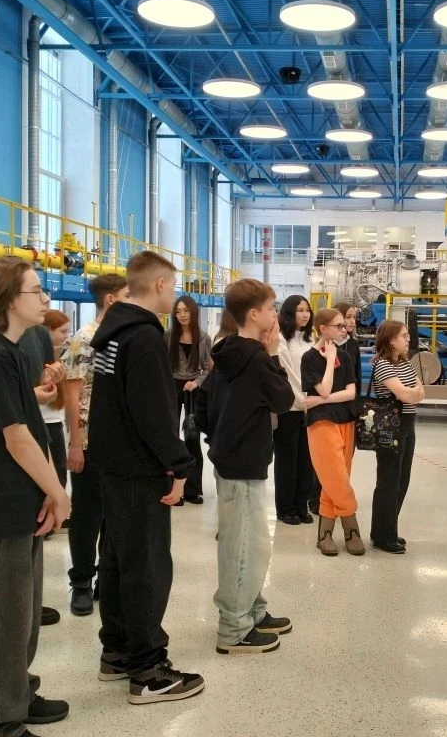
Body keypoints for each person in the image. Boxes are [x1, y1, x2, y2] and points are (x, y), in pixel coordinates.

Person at [0, 257, 72, 736]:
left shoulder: (10, 349)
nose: (45, 298)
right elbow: (16, 437)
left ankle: (15, 694)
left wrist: (44, 490)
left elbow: (23, 421)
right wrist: (58, 491)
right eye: (35, 291)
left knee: (21, 615)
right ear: (7, 300)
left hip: (19, 501)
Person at [88, 251, 204, 705]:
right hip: (140, 469)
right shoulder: (146, 337)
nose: (174, 294)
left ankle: (117, 650)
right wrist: (178, 464)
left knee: (118, 560)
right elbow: (153, 412)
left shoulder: (113, 333)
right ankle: (148, 670)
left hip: (113, 465)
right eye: (172, 286)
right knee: (147, 567)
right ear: (158, 284)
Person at [195, 278, 295, 654]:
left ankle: (252, 608)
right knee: (242, 546)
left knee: (252, 543)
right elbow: (283, 400)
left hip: (232, 456)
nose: (275, 314)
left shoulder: (225, 351)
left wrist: (221, 436)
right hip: (242, 461)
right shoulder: (255, 357)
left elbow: (202, 404)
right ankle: (233, 627)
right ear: (254, 314)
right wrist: (273, 355)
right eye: (271, 308)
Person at [60, 273, 130, 617]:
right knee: (87, 514)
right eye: (128, 295)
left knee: (113, 513)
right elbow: (72, 394)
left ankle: (107, 577)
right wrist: (75, 443)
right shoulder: (84, 338)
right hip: (88, 440)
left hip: (116, 440)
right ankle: (81, 581)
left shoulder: (121, 337)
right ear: (112, 300)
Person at [301, 308, 361, 556]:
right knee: (334, 475)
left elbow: (350, 393)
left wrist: (320, 400)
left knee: (336, 478)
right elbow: (324, 388)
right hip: (321, 422)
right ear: (322, 328)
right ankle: (351, 526)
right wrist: (329, 360)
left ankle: (324, 533)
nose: (343, 329)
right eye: (338, 326)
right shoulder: (309, 358)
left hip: (346, 419)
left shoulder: (345, 356)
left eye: (343, 325)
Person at [369, 320, 425, 555]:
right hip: (391, 425)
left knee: (402, 479)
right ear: (391, 340)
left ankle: (387, 528)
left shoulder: (404, 362)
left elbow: (421, 393)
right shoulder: (383, 364)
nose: (408, 339)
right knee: (389, 480)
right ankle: (383, 535)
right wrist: (411, 394)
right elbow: (404, 394)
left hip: (408, 423)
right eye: (403, 335)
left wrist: (411, 394)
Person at [273, 295, 315, 525]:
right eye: (300, 310)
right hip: (289, 407)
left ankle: (301, 505)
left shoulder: (310, 339)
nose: (305, 314)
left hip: (310, 407)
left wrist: (312, 401)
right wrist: (302, 400)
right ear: (290, 313)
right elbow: (288, 374)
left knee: (306, 461)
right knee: (287, 461)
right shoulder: (281, 339)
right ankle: (285, 508)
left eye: (307, 310)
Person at [167, 295, 212, 506]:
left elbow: (208, 368)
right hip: (172, 386)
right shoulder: (168, 336)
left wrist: (196, 382)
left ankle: (192, 489)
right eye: (178, 312)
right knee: (171, 436)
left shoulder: (203, 338)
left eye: (186, 311)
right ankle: (172, 490)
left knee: (192, 437)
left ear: (194, 312)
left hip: (194, 388)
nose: (182, 315)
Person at [41, 310, 72, 497]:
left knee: (60, 473)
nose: (66, 336)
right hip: (46, 422)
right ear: (47, 330)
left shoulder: (55, 355)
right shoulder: (41, 358)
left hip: (55, 420)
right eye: (62, 331)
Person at [333, 302, 362, 389]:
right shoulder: (327, 343)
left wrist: (357, 394)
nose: (353, 321)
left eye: (354, 317)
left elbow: (357, 373)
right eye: (348, 317)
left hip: (350, 393)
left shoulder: (353, 343)